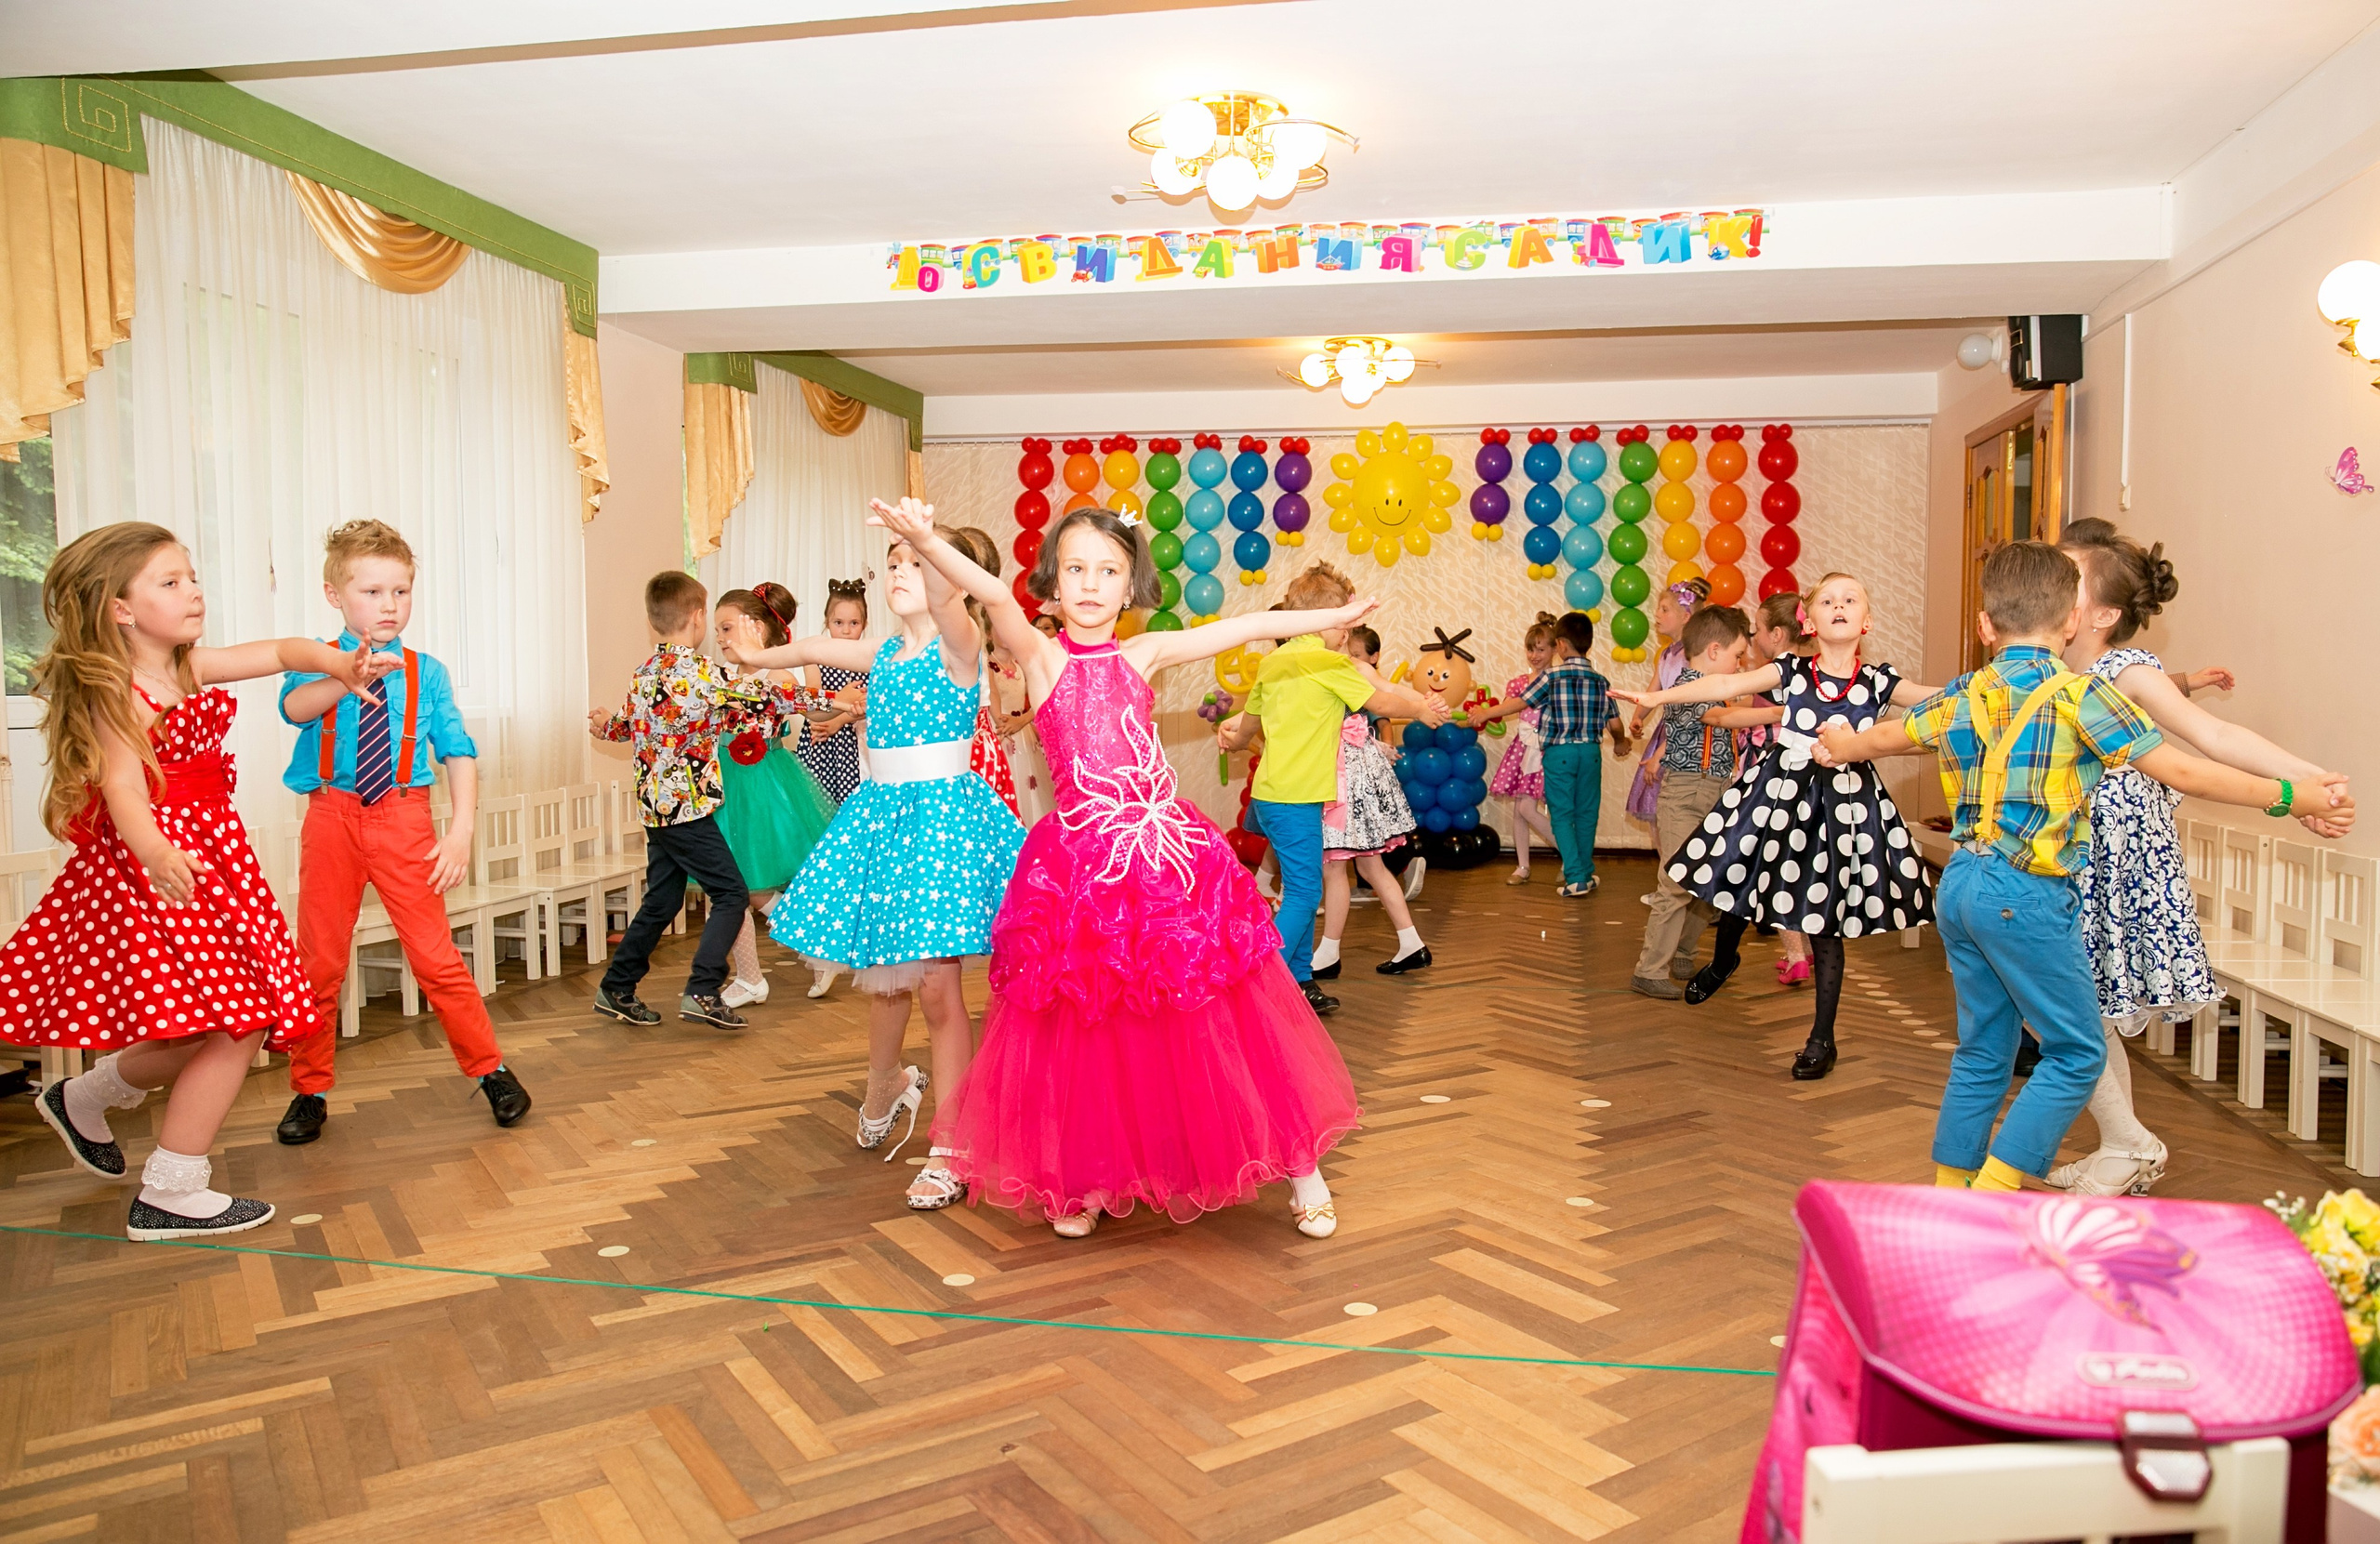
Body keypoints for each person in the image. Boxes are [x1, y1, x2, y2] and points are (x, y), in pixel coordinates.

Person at [893, 500, 1369, 1239]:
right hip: (1082, 868)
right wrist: (925, 540)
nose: (1090, 583)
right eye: (1076, 568)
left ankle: (1298, 1164)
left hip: (1167, 861)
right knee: (1090, 1031)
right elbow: (987, 594)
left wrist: (1330, 615)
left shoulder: (1141, 655)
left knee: (1222, 1014)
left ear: (1130, 585)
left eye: (1107, 570)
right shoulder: (1042, 655)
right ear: (1054, 580)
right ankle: (1085, 1177)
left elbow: (1239, 628)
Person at [1819, 541, 2350, 1191]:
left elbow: (1883, 736)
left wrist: (1840, 746)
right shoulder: (2081, 697)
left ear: (1984, 625)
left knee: (1982, 1048)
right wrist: (2289, 795)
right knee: (2076, 1051)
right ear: (2070, 620)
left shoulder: (1965, 691)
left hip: (1959, 886)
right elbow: (2186, 769)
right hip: (2027, 893)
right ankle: (1996, 1187)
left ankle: (1948, 1186)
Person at [13, 522, 390, 1239]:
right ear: (121, 608)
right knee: (240, 1017)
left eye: (191, 576)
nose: (193, 591)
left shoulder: (185, 668)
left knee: (208, 1023)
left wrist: (337, 664)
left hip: (215, 859)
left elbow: (281, 652)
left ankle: (84, 1098)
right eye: (170, 581)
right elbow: (123, 787)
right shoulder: (116, 689)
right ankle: (172, 1187)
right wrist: (157, 854)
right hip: (164, 871)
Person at [2044, 520, 2350, 1194]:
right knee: (2074, 1006)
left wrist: (2308, 783)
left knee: (2070, 1005)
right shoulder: (2047, 669)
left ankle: (2126, 1142)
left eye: (2065, 579)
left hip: (2114, 863)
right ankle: (2122, 1142)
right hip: (2068, 855)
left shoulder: (2123, 668)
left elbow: (2215, 733)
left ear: (2102, 613)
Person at [729, 518, 1025, 1210]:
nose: (898, 571)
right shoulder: (886, 651)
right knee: (890, 976)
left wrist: (928, 546)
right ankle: (885, 1083)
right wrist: (753, 657)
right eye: (892, 561)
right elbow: (813, 643)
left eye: (913, 564)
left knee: (936, 988)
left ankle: (951, 1147)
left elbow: (952, 605)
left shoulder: (961, 645)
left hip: (943, 830)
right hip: (885, 824)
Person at [273, 520, 531, 1145]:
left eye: (401, 591)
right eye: (372, 591)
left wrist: (460, 830)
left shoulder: (428, 672)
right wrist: (346, 673)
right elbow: (293, 709)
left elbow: (459, 751)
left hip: (403, 817)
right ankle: (309, 1089)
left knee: (436, 959)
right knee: (320, 963)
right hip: (332, 818)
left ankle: (489, 1068)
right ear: (335, 594)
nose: (389, 605)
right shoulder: (315, 656)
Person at [1618, 575, 1936, 1075]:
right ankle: (1724, 960)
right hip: (1778, 794)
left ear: (1866, 621)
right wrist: (1658, 699)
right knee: (1742, 875)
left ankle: (1821, 1039)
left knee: (1824, 921)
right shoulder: (1791, 669)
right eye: (1828, 600)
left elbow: (1937, 699)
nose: (1839, 606)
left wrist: (1989, 689)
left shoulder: (1880, 682)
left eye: (1851, 600)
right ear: (1809, 619)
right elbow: (1725, 685)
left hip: (1842, 810)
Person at [1219, 561, 1448, 1016]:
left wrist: (1232, 737)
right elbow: (1380, 700)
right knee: (1306, 892)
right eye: (1345, 623)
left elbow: (1248, 729)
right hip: (1295, 800)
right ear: (1322, 620)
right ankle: (1266, 981)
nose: (1348, 633)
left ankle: (1303, 981)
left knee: (1304, 887)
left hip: (1270, 798)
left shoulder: (1274, 662)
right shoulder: (1328, 662)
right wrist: (1421, 708)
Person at [589, 572, 807, 1032]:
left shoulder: (645, 673)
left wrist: (604, 725)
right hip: (687, 811)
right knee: (730, 893)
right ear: (696, 617)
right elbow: (766, 696)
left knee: (661, 901)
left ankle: (617, 987)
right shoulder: (703, 673)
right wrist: (834, 697)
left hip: (655, 811)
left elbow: (626, 727)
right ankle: (704, 989)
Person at [711, 584, 839, 1009]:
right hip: (727, 784)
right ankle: (755, 973)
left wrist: (844, 704)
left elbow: (812, 707)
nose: (721, 638)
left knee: (747, 888)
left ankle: (806, 951)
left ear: (759, 628)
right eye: (717, 630)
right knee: (735, 890)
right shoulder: (722, 676)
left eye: (728, 627)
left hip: (762, 784)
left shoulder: (775, 677)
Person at [1623, 605, 1752, 999]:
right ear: (1714, 651)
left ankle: (1683, 949)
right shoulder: (1688, 687)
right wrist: (1787, 711)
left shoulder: (1714, 686)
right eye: (1737, 656)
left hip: (1714, 791)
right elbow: (1720, 719)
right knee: (1677, 882)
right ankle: (1649, 969)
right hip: (1685, 794)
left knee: (1708, 884)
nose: (1741, 664)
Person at [1466, 611, 1631, 897]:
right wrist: (1620, 742)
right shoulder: (1601, 681)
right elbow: (1615, 724)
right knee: (1587, 813)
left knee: (1563, 815)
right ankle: (1586, 871)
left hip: (1560, 753)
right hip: (1591, 753)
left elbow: (1517, 704)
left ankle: (1577, 877)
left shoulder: (1551, 677)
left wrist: (1484, 714)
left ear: (1562, 645)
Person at [1312, 626, 1436, 979]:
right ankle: (1411, 943)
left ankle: (1328, 954)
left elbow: (1390, 693)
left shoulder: (1344, 667)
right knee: (1371, 868)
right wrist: (1424, 704)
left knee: (1335, 866)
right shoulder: (1333, 666)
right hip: (1355, 774)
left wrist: (1424, 704)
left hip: (1344, 777)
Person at [1622, 579, 1712, 834]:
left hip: (1683, 733)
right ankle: (1667, 867)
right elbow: (1654, 691)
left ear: (1685, 616)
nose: (1657, 615)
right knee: (1657, 814)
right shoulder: (1666, 653)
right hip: (1666, 730)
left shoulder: (1693, 656)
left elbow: (1690, 708)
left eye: (1664, 609)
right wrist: (1639, 716)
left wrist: (1662, 751)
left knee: (1676, 811)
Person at [1488, 613, 1560, 885]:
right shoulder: (1519, 683)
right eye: (1531, 649)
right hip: (1523, 749)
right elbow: (1506, 708)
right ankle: (1523, 866)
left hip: (1547, 750)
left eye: (1541, 649)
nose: (1535, 655)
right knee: (1520, 809)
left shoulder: (1556, 681)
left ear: (1555, 649)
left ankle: (1572, 854)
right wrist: (1486, 713)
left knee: (1531, 810)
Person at [795, 577, 870, 804]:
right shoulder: (816, 657)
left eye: (854, 623)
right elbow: (813, 699)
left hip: (854, 741)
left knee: (853, 802)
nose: (846, 630)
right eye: (839, 623)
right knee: (819, 803)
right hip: (821, 739)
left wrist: (837, 722)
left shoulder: (869, 657)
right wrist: (837, 704)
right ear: (827, 622)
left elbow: (871, 703)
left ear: (864, 624)